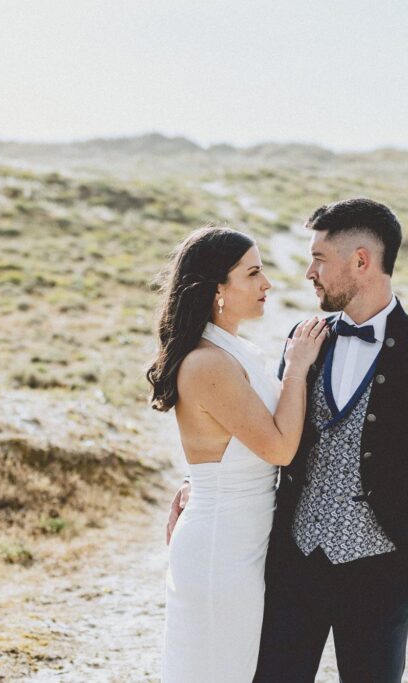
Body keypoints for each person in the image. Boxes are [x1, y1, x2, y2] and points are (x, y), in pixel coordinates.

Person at [168, 199, 408, 682]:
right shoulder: (305, 339)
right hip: (293, 566)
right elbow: (260, 430)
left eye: (319, 259)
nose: (308, 273)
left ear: (361, 261)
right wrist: (202, 481)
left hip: (384, 574)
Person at [148, 225, 328, 682]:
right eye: (252, 273)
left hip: (242, 541)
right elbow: (280, 448)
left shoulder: (234, 351)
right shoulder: (207, 362)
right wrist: (297, 369)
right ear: (217, 290)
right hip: (220, 549)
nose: (267, 283)